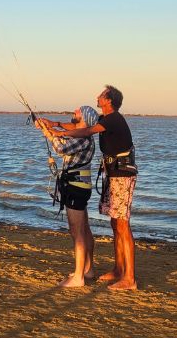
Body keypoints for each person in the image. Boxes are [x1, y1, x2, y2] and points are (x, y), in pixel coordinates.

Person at [41, 85, 137, 290]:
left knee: (123, 225)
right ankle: (119, 270)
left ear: (109, 100)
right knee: (115, 224)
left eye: (101, 95)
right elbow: (80, 126)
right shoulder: (105, 119)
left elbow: (85, 130)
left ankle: (129, 278)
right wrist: (55, 124)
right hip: (113, 174)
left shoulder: (113, 118)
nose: (97, 97)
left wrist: (54, 131)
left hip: (122, 175)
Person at [36, 105, 100, 288]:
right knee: (85, 229)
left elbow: (61, 149)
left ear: (85, 118)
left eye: (78, 111)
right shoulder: (81, 135)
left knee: (77, 232)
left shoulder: (84, 139)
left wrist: (49, 133)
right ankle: (88, 269)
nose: (75, 111)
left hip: (76, 187)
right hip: (79, 186)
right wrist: (48, 128)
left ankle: (78, 277)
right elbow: (63, 136)